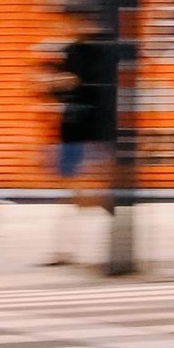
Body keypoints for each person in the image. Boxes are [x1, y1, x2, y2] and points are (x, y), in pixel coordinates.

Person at [48, 22, 118, 267]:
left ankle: (66, 250)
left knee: (75, 195)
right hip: (88, 132)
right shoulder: (99, 55)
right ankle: (65, 250)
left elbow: (62, 84)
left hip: (81, 132)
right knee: (74, 195)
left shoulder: (78, 52)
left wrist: (54, 83)